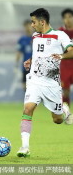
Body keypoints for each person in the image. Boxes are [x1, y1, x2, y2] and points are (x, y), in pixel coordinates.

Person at [17, 8, 73, 158]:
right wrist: (31, 62)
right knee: (27, 110)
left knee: (57, 120)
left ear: (42, 22)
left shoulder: (60, 35)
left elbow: (72, 51)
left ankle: (64, 109)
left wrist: (61, 56)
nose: (32, 25)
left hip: (52, 84)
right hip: (35, 80)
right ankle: (25, 147)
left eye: (34, 22)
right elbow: (38, 55)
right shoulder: (35, 36)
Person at [59, 9, 73, 107]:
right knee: (66, 91)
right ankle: (67, 114)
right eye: (65, 18)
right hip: (65, 64)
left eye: (70, 17)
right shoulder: (60, 32)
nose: (67, 20)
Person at [15, 20, 33, 90]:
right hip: (26, 66)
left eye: (29, 25)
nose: (28, 27)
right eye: (26, 26)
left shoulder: (37, 38)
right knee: (25, 87)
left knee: (35, 87)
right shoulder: (22, 39)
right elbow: (18, 53)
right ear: (24, 27)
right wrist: (16, 65)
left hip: (36, 67)